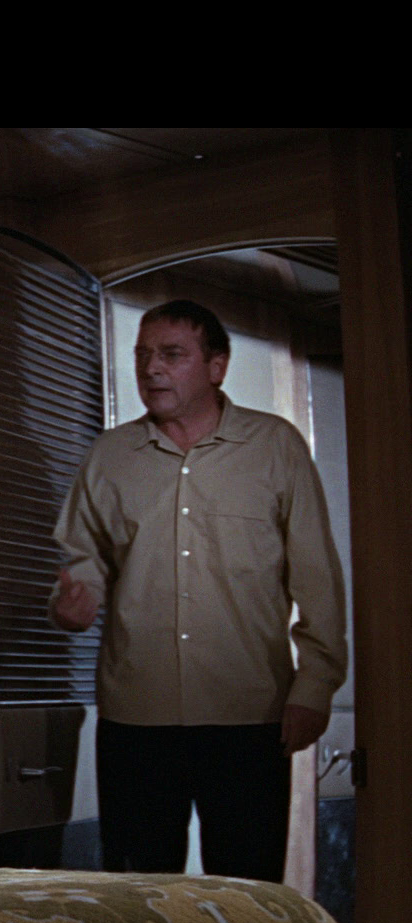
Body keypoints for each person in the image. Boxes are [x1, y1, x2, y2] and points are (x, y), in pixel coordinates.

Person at [49, 299, 346, 882]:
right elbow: (81, 567)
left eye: (171, 354)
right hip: (136, 720)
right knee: (138, 894)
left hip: (247, 715)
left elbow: (317, 579)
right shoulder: (110, 456)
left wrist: (314, 687)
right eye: (143, 355)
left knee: (247, 890)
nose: (151, 368)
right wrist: (69, 607)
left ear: (217, 366)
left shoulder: (275, 446)